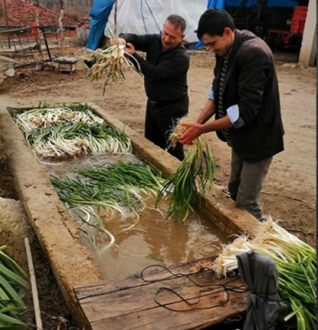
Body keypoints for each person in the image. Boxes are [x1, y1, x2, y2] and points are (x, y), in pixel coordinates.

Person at [178, 9, 284, 220]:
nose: (209, 50)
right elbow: (216, 91)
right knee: (234, 190)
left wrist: (204, 129)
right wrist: (197, 124)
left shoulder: (253, 53)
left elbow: (246, 111)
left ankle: (265, 246)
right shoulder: (225, 50)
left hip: (259, 138)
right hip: (240, 135)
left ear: (227, 32)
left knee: (247, 204)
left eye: (211, 44)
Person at [116, 15, 190, 160]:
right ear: (163, 28)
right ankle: (156, 177)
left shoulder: (181, 57)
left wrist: (134, 56)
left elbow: (155, 73)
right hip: (153, 104)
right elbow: (134, 38)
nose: (167, 39)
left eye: (172, 37)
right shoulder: (155, 40)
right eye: (165, 33)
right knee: (151, 145)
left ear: (182, 37)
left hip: (172, 108)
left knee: (173, 149)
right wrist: (122, 40)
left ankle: (177, 178)